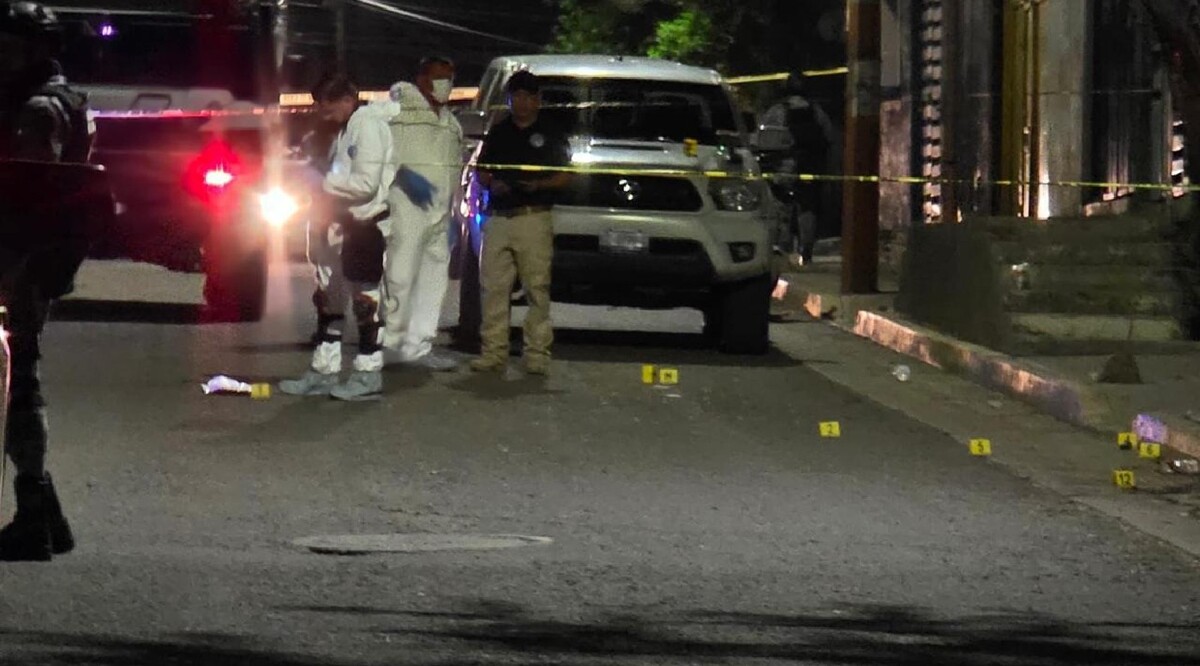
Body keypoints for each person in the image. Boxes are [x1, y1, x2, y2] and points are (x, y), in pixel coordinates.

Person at [0, 0, 94, 561]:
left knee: (17, 385)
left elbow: (25, 189)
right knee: (20, 380)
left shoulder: (39, 108)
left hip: (19, 259)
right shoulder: (58, 98)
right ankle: (44, 512)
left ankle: (33, 513)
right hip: (34, 256)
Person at [279, 73, 395, 401]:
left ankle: (368, 373)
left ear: (347, 100)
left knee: (366, 302)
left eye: (328, 108)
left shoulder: (368, 126)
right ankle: (324, 370)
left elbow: (366, 184)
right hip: (335, 225)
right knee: (328, 299)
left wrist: (321, 182)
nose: (324, 115)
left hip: (363, 226)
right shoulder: (344, 128)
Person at [470, 70, 571, 376]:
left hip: (533, 217)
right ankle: (493, 352)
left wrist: (538, 186)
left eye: (528, 96)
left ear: (538, 100)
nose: (522, 103)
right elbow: (481, 171)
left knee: (536, 288)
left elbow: (566, 176)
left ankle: (537, 353)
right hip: (499, 218)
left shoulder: (552, 133)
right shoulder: (499, 132)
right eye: (517, 97)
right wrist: (493, 183)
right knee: (493, 288)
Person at [379, 56, 465, 371]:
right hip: (406, 207)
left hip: (440, 213)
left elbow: (454, 166)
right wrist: (403, 179)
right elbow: (381, 155)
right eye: (439, 77)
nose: (446, 84)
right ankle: (390, 344)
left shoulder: (449, 122)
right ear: (421, 79)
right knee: (400, 278)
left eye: (450, 77)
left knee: (433, 281)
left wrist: (453, 211)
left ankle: (419, 346)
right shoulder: (398, 112)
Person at [760, 74, 836, 266]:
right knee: (808, 208)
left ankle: (783, 249)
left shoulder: (777, 110)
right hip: (810, 166)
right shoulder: (815, 110)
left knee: (782, 206)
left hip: (784, 166)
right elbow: (829, 137)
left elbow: (764, 140)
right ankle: (806, 252)